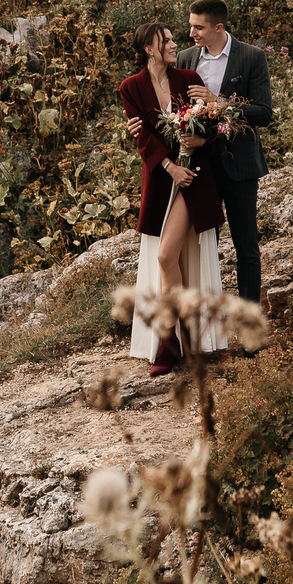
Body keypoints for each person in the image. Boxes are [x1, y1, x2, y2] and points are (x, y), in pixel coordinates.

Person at [116, 21, 226, 374]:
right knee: (166, 258)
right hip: (162, 179)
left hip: (194, 177)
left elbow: (212, 124)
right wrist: (169, 166)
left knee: (166, 256)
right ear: (148, 48)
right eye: (165, 40)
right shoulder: (130, 88)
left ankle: (169, 338)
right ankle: (177, 335)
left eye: (172, 39)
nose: (173, 44)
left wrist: (203, 135)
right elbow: (143, 138)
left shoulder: (188, 78)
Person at [176, 0, 273, 304]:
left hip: (240, 165)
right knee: (204, 247)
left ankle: (250, 328)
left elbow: (264, 112)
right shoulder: (186, 57)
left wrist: (219, 101)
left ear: (218, 27)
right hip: (201, 165)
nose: (192, 32)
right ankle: (208, 331)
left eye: (198, 27)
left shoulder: (251, 57)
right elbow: (177, 108)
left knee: (246, 248)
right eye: (191, 25)